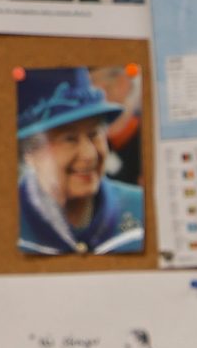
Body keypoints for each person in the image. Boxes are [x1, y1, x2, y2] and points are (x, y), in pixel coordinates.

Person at [16, 68, 145, 257]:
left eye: (94, 134)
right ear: (30, 152)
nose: (89, 154)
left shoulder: (140, 209)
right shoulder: (9, 224)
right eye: (69, 138)